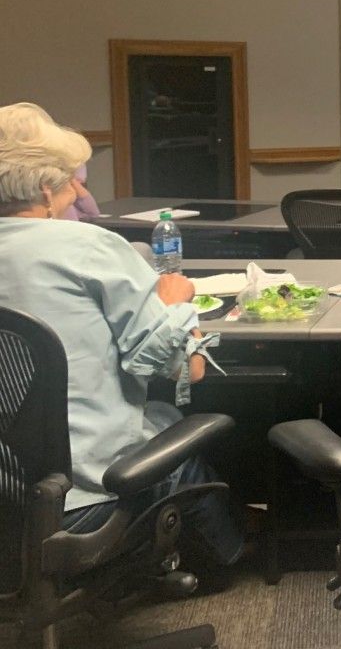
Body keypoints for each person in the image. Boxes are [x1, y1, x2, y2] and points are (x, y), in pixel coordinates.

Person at [0, 102, 242, 567]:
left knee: (156, 419)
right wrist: (174, 303)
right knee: (176, 441)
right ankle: (228, 565)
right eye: (70, 180)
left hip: (8, 495)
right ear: (46, 190)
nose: (79, 190)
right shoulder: (89, 248)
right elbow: (188, 370)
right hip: (77, 502)